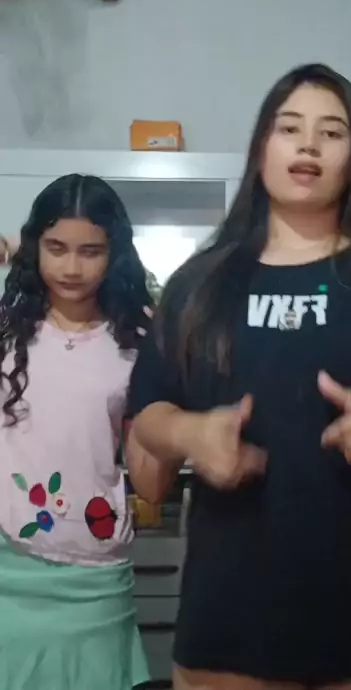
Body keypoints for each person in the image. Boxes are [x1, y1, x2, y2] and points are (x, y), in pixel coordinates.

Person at [128, 64, 351, 690]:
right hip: (230, 625)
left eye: (332, 132)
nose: (309, 144)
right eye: (289, 128)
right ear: (261, 146)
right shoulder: (199, 284)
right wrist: (190, 434)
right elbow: (149, 410)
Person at [0, 174, 166, 690]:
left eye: (90, 251)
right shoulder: (6, 331)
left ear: (115, 254)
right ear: (34, 247)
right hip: (6, 568)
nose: (71, 268)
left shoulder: (140, 342)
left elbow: (152, 482)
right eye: (56, 248)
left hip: (94, 574)